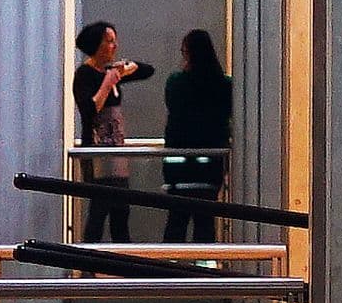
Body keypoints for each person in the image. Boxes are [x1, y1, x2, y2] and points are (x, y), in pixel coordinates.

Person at [70, 20, 154, 243]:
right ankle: (87, 269)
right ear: (96, 44)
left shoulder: (112, 71)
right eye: (109, 41)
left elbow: (147, 70)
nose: (114, 45)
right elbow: (89, 109)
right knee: (98, 211)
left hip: (116, 152)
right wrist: (107, 83)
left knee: (121, 211)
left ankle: (122, 267)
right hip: (97, 152)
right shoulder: (85, 74)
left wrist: (126, 69)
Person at [162, 28, 232, 242]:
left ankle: (168, 272)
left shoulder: (176, 82)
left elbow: (173, 107)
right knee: (205, 224)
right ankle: (205, 270)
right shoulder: (225, 85)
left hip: (178, 166)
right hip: (211, 165)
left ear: (188, 53)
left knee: (175, 223)